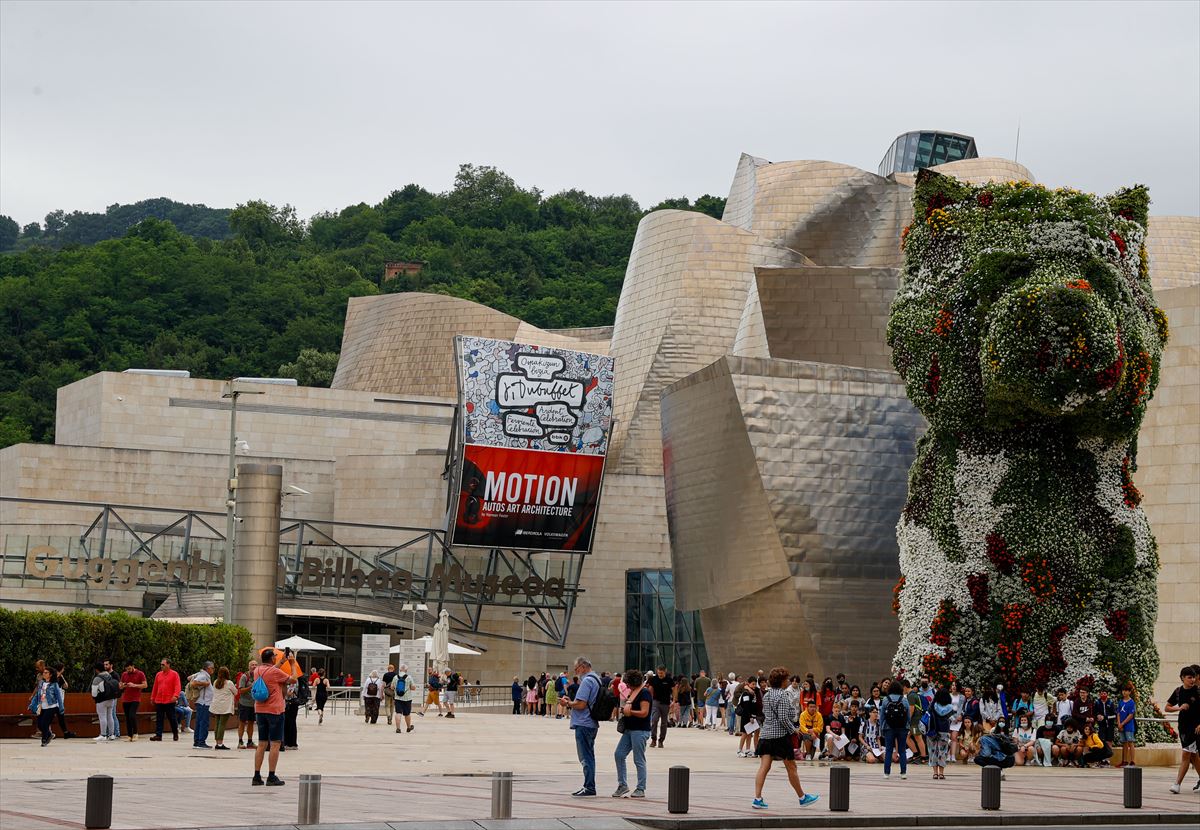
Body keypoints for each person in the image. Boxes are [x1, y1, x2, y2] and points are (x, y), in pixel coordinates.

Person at [751, 667, 819, 810]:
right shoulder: (782, 695)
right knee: (791, 767)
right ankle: (802, 797)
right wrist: (793, 730)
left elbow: (766, 713)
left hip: (766, 735)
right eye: (786, 679)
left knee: (764, 767)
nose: (788, 681)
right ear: (782, 681)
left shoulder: (767, 694)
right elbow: (783, 717)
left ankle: (757, 798)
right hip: (780, 737)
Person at [252, 648, 291, 786]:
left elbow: (271, 670)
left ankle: (256, 776)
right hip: (275, 710)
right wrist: (291, 664)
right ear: (272, 659)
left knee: (262, 743)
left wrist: (281, 661)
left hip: (260, 710)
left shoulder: (257, 670)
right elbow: (292, 680)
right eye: (275, 656)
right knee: (275, 744)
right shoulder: (275, 672)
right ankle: (271, 776)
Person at [612, 669, 652, 798]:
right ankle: (622, 785)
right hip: (629, 730)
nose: (627, 686)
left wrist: (630, 712)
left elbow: (644, 712)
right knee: (619, 754)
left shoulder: (644, 693)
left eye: (628, 683)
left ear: (634, 682)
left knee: (638, 759)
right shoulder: (634, 692)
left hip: (640, 730)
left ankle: (641, 788)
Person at [566, 656, 602, 797]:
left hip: (584, 723)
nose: (576, 672)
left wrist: (567, 703)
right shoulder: (597, 679)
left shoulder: (587, 681)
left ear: (583, 666)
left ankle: (589, 787)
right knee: (590, 756)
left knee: (585, 757)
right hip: (592, 723)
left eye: (576, 669)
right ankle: (589, 785)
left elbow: (581, 704)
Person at [1164, 664, 1200, 794]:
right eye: (1189, 677)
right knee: (1193, 757)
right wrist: (1178, 708)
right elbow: (1167, 707)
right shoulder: (1178, 691)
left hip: (1196, 730)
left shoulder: (1198, 691)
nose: (1192, 680)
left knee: (1186, 754)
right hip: (1183, 728)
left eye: (1194, 677)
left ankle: (1177, 784)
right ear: (1182, 678)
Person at [881, 676, 910, 779]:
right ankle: (903, 773)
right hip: (902, 727)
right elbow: (908, 715)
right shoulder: (904, 700)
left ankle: (886, 773)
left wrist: (882, 728)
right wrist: (908, 726)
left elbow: (882, 716)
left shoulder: (885, 699)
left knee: (888, 750)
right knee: (902, 750)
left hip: (889, 727)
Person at [29, 667, 64, 746]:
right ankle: (49, 734)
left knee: (45, 724)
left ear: (50, 675)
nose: (44, 674)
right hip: (41, 707)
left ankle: (44, 740)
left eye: (46, 673)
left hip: (51, 707)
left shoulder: (55, 685)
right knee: (40, 725)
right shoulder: (41, 683)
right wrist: (32, 704)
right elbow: (37, 695)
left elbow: (59, 697)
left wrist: (61, 708)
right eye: (44, 672)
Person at [927, 688, 954, 779]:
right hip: (944, 730)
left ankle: (935, 773)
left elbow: (928, 710)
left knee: (933, 751)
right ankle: (941, 773)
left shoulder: (934, 705)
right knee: (943, 752)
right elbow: (952, 718)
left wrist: (935, 698)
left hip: (933, 730)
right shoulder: (950, 707)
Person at [189, 660, 214, 749]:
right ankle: (201, 742)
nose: (213, 670)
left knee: (199, 722)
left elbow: (189, 678)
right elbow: (193, 683)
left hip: (202, 702)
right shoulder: (203, 675)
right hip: (204, 703)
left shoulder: (201, 674)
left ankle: (197, 741)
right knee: (203, 722)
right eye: (212, 668)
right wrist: (205, 683)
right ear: (208, 668)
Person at [119, 661, 147, 742]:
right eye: (127, 669)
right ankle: (129, 735)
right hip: (126, 698)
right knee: (127, 717)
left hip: (135, 698)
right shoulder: (124, 674)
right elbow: (120, 686)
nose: (128, 670)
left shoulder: (140, 673)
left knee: (132, 715)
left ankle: (135, 733)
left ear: (133, 666)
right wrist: (122, 685)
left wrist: (134, 685)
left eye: (129, 669)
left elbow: (145, 685)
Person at [90, 661, 118, 741]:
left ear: (97, 670)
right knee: (110, 716)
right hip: (111, 699)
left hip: (101, 700)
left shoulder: (97, 678)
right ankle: (112, 734)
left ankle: (103, 734)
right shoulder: (109, 675)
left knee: (102, 717)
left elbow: (94, 693)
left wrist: (95, 697)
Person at [647, 666, 673, 749]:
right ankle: (653, 739)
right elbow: (650, 689)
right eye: (658, 673)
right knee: (654, 720)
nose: (660, 675)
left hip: (666, 703)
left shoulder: (669, 680)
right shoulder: (653, 679)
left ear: (665, 672)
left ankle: (661, 740)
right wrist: (649, 699)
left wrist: (675, 700)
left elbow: (674, 688)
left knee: (664, 723)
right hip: (656, 702)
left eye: (661, 673)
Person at [210, 667, 236, 750]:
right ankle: (220, 744)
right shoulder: (229, 683)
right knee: (222, 724)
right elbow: (236, 692)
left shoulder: (215, 682)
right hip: (225, 707)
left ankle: (217, 742)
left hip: (216, 705)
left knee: (217, 724)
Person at [236, 659, 258, 749]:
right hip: (244, 704)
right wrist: (251, 686)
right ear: (249, 667)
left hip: (254, 704)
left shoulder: (258, 676)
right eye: (252, 665)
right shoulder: (245, 676)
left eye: (256, 665)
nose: (254, 666)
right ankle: (240, 741)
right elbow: (240, 690)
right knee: (242, 722)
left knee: (251, 723)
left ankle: (250, 741)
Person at [1116, 683, 1137, 768]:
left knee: (1130, 742)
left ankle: (1132, 761)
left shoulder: (1131, 702)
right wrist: (1119, 723)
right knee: (1124, 743)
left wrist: (1123, 723)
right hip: (1121, 726)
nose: (1124, 692)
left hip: (1128, 726)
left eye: (1126, 691)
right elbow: (1118, 713)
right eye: (1123, 691)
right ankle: (1124, 761)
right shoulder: (1120, 702)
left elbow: (1131, 715)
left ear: (1129, 692)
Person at [392, 663, 415, 734]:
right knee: (407, 714)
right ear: (406, 670)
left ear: (400, 669)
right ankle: (408, 727)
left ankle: (398, 728)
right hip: (407, 698)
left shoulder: (395, 677)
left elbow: (392, 687)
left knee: (398, 713)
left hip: (398, 698)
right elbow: (413, 687)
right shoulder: (409, 677)